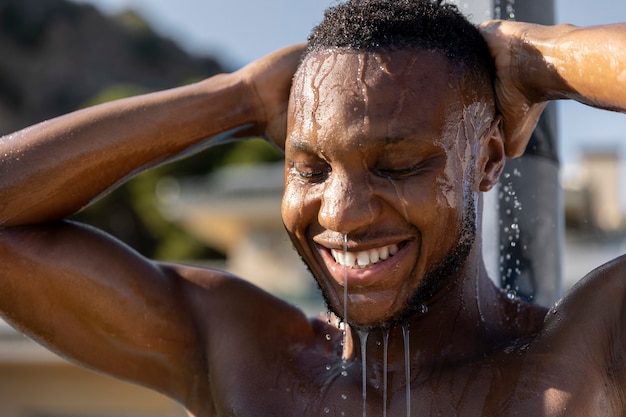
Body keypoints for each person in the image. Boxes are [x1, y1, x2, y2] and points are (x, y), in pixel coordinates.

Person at [1, 0, 626, 415]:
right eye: (311, 169)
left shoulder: (587, 353)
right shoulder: (246, 358)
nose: (342, 214)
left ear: (488, 160)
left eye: (398, 166)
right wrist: (238, 97)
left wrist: (540, 59)